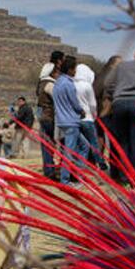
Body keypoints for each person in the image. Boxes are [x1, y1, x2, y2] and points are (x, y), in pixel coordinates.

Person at [105, 45, 135, 180]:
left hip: (119, 104)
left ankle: (123, 176)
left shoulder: (121, 66)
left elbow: (108, 84)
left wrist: (113, 96)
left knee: (122, 141)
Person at [53, 56, 88, 184]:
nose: (75, 72)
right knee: (70, 152)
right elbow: (75, 103)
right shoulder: (68, 84)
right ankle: (66, 179)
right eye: (74, 69)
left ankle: (78, 175)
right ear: (69, 69)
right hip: (71, 122)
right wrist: (82, 111)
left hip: (62, 121)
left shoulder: (57, 83)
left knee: (84, 146)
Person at [73, 60, 107, 170]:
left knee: (80, 144)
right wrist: (95, 114)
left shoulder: (72, 84)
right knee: (94, 143)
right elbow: (92, 104)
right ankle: (100, 163)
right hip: (88, 118)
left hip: (75, 119)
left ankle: (79, 164)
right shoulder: (87, 86)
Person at [36, 63, 59, 178]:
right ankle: (50, 171)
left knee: (46, 145)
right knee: (49, 145)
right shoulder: (50, 84)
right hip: (49, 116)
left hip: (43, 116)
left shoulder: (41, 84)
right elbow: (58, 98)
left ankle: (48, 170)